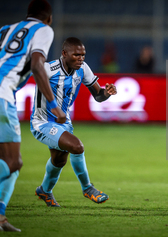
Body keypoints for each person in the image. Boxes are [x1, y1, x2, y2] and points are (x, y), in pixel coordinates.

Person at [0, 0, 66, 232]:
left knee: (10, 162)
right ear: (49, 17)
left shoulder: (8, 29)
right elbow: (37, 64)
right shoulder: (44, 30)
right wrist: (53, 105)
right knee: (13, 161)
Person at [31, 37, 117, 207]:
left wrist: (106, 93)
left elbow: (98, 96)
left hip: (64, 123)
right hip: (42, 122)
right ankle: (87, 188)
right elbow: (35, 72)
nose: (80, 58)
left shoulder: (82, 69)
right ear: (64, 54)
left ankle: (44, 191)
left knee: (59, 161)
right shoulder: (49, 69)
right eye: (76, 55)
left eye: (83, 55)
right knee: (77, 146)